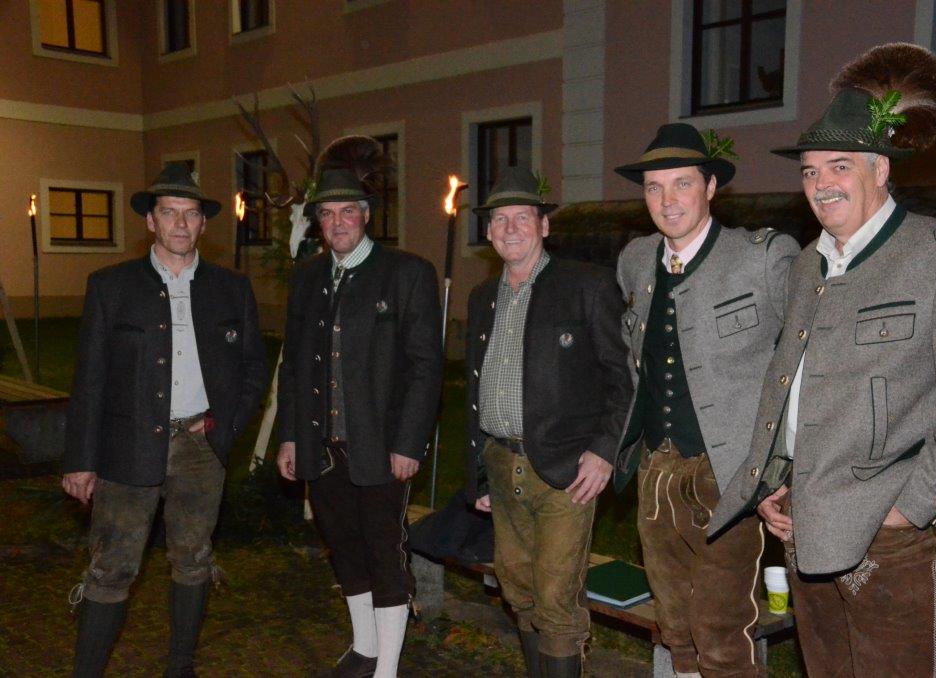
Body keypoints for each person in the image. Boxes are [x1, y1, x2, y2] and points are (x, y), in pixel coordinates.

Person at [708, 43, 936, 676]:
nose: (821, 184)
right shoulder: (808, 264)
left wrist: (911, 508)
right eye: (809, 171)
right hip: (805, 525)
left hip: (895, 541)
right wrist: (773, 478)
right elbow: (794, 382)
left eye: (839, 166)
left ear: (880, 169)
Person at [62, 162, 268, 677]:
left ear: (203, 223)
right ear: (150, 221)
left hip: (200, 447)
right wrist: (80, 460)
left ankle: (181, 667)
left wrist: (225, 425)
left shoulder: (231, 289)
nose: (180, 223)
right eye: (169, 212)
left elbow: (252, 370)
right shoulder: (111, 287)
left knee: (193, 558)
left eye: (190, 213)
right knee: (112, 565)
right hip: (126, 445)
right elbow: (89, 379)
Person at [612, 124, 798, 678]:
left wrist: (781, 467)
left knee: (721, 634)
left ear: (711, 187)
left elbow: (801, 365)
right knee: (676, 629)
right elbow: (636, 357)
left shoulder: (763, 258)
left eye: (682, 184)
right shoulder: (635, 259)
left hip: (730, 476)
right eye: (654, 187)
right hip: (656, 470)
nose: (667, 200)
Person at [275, 136, 442, 678]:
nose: (338, 222)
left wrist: (409, 443)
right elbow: (294, 365)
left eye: (348, 211)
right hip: (321, 446)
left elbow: (425, 367)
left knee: (382, 550)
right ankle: (364, 647)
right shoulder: (307, 278)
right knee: (343, 546)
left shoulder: (406, 273)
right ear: (318, 222)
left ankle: (386, 668)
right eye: (327, 214)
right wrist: (289, 435)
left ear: (367, 215)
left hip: (381, 446)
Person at [463, 166, 632, 678]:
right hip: (501, 465)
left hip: (566, 470)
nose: (511, 228)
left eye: (523, 217)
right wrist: (479, 473)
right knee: (518, 589)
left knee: (556, 598)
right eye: (500, 219)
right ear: (489, 232)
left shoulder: (586, 285)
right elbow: (473, 390)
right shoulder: (482, 298)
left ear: (544, 225)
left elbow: (624, 377)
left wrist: (605, 451)